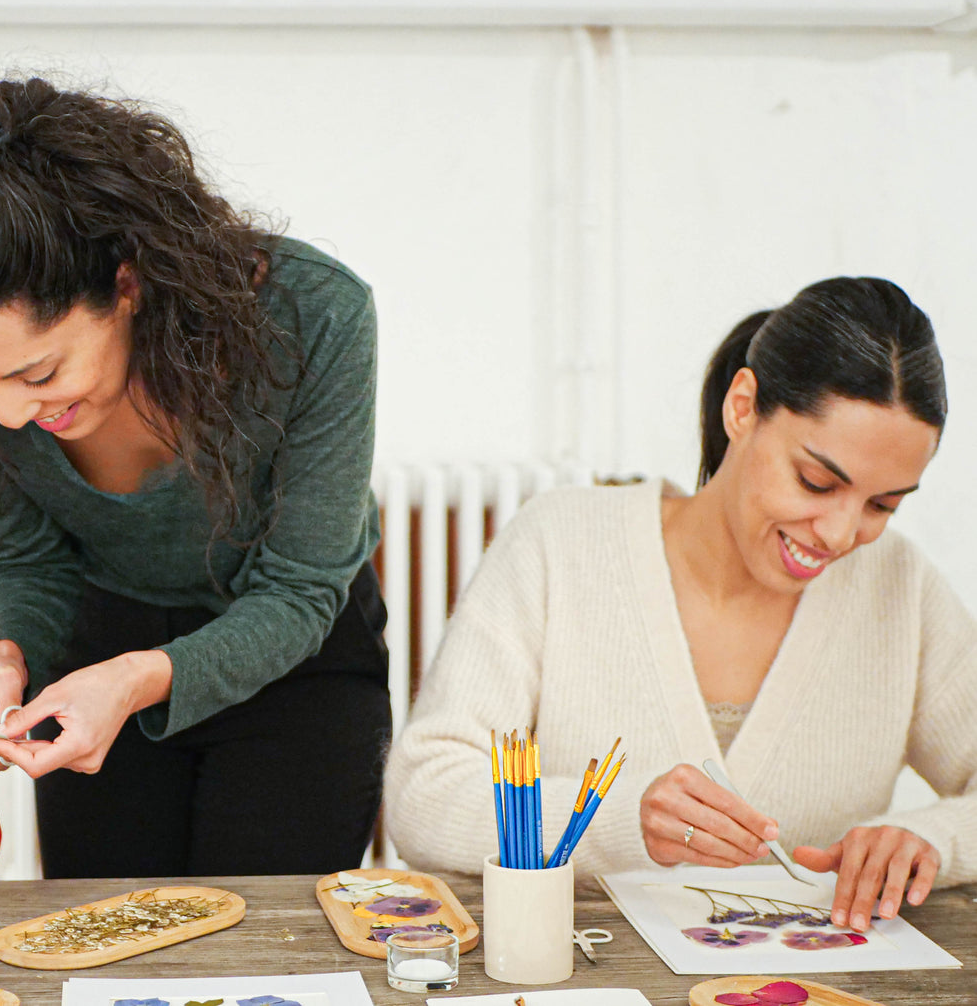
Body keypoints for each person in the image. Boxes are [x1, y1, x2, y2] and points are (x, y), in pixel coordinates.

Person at [0, 76, 390, 877]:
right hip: (96, 657)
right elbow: (28, 558)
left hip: (296, 662)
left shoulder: (316, 316)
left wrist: (134, 682)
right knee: (102, 951)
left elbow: (299, 592)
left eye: (37, 374)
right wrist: (9, 659)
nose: (9, 415)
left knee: (269, 963)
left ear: (125, 284)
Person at [385, 277, 977, 931]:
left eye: (881, 505)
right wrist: (617, 823)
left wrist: (929, 841)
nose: (840, 534)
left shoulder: (899, 587)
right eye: (815, 481)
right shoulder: (561, 542)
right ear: (742, 407)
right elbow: (422, 793)